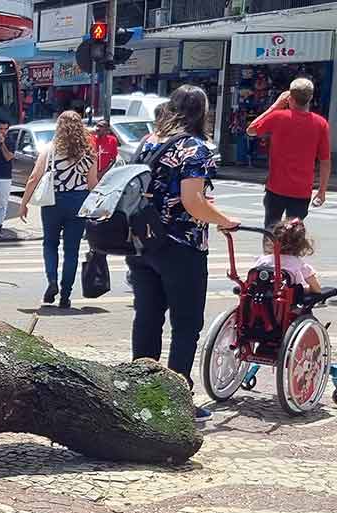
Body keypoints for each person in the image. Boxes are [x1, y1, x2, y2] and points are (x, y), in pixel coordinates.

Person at [128, 85, 238, 421]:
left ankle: (138, 393)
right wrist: (224, 221)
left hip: (142, 242)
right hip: (181, 247)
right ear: (202, 112)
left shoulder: (149, 142)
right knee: (186, 323)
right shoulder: (196, 149)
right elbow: (192, 203)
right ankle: (176, 399)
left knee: (147, 317)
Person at [18, 111, 98, 309]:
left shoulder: (51, 149)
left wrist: (24, 203)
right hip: (78, 202)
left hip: (53, 202)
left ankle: (52, 281)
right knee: (72, 251)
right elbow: (92, 184)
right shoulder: (89, 151)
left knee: (50, 244)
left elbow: (34, 178)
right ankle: (66, 295)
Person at [246, 78, 331, 228]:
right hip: (302, 190)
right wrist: (322, 190)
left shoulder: (278, 116)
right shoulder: (321, 123)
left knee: (271, 232)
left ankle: (270, 252)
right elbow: (325, 160)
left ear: (290, 97)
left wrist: (276, 105)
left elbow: (251, 130)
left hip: (276, 187)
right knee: (294, 236)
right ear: (310, 98)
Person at [255, 218, 323, 294]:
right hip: (286, 301)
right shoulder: (300, 265)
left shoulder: (263, 260)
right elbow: (317, 289)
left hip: (262, 297)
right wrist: (304, 290)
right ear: (301, 245)